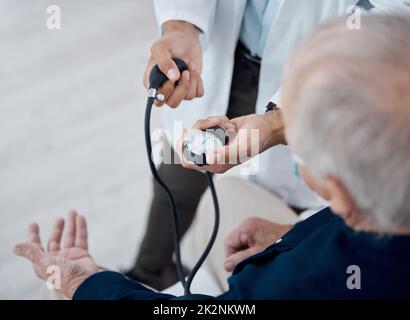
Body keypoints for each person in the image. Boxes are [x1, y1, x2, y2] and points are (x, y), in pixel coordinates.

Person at [14, 13, 410, 299]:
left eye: (296, 142)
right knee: (204, 186)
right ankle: (150, 268)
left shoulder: (284, 285)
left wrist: (82, 282)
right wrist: (290, 238)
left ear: (334, 191)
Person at [129, 0, 372, 290]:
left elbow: (389, 21)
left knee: (277, 217)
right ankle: (148, 271)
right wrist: (181, 25)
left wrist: (281, 121)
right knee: (175, 181)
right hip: (216, 58)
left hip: (310, 81)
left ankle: (261, 277)